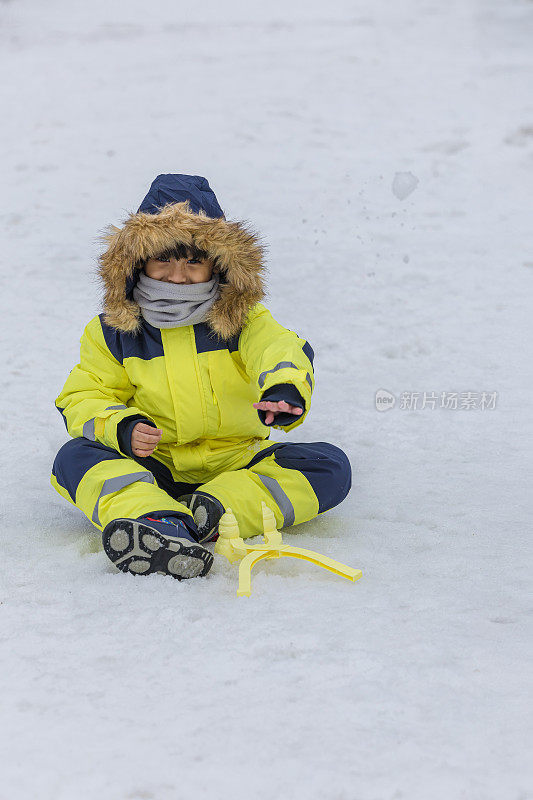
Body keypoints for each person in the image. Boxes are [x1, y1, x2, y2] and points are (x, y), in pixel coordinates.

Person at [51, 174, 352, 581]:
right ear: (138, 263)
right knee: (74, 459)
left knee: (329, 467)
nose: (178, 276)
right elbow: (83, 395)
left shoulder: (243, 320)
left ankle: (206, 513)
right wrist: (122, 428)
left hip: (236, 463)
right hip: (152, 462)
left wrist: (284, 389)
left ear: (219, 263)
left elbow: (280, 350)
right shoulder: (112, 330)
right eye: (165, 261)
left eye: (193, 261)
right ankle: (156, 517)